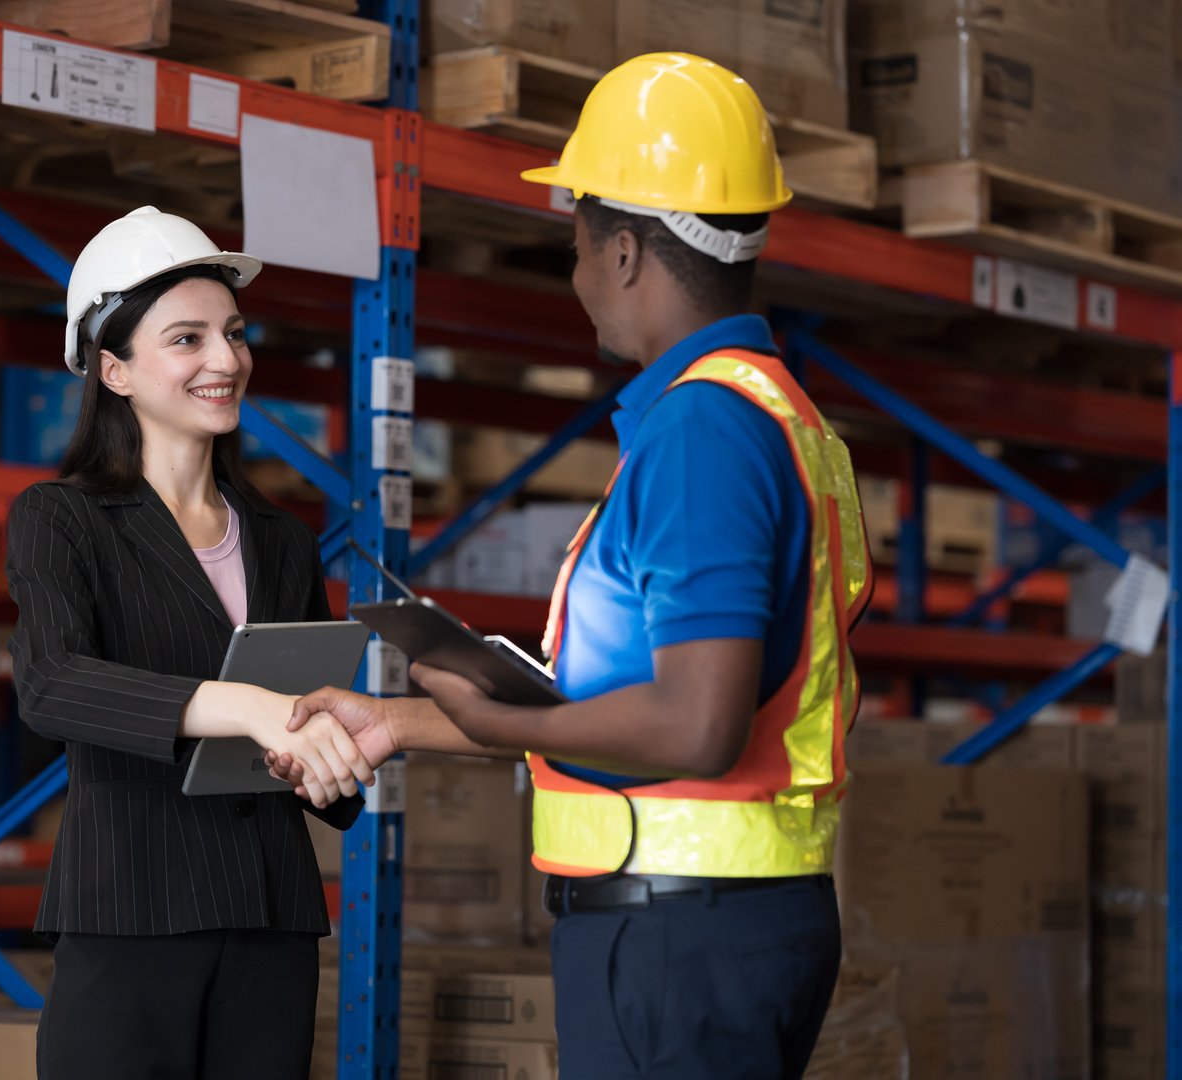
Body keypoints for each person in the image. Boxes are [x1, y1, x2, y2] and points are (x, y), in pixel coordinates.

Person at [272, 53, 874, 1079]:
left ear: (629, 250)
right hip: (716, 933)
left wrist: (501, 718)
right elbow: (634, 703)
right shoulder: (770, 415)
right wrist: (404, 722)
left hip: (678, 946)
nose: (579, 275)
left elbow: (695, 724)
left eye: (578, 245)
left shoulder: (704, 434)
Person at [5, 206, 371, 1080]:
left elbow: (314, 745)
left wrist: (330, 759)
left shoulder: (279, 536)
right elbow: (52, 685)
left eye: (234, 334)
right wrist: (248, 707)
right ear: (115, 370)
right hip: (134, 909)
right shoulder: (63, 519)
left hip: (270, 919)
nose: (225, 360)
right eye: (187, 338)